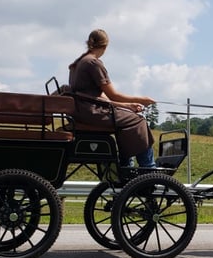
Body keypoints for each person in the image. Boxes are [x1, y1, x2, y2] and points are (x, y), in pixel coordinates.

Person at [67, 29, 156, 168]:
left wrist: (127, 106)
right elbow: (112, 95)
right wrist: (142, 99)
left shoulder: (78, 63)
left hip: (82, 110)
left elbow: (99, 96)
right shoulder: (93, 63)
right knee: (139, 120)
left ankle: (126, 164)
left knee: (129, 115)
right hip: (92, 112)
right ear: (105, 46)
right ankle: (148, 167)